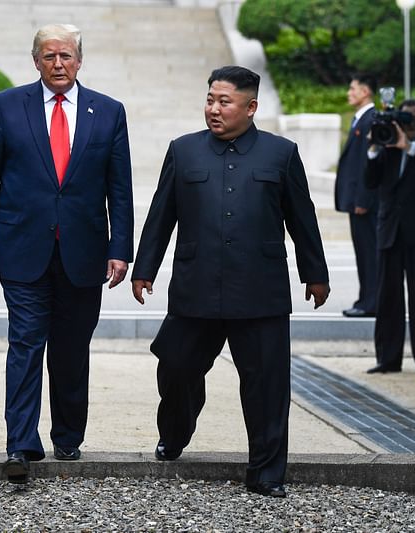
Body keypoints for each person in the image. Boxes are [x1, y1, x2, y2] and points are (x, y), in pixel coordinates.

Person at [131, 66, 330, 498]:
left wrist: (315, 274)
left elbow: (303, 219)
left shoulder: (281, 154)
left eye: (224, 102)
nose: (214, 109)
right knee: (176, 366)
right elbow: (161, 214)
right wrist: (144, 267)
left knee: (267, 385)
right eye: (209, 100)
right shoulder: (183, 151)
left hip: (260, 293)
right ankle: (177, 430)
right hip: (195, 287)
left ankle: (266, 472)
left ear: (251, 107)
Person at [0, 23, 133, 483]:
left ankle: (67, 436)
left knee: (71, 346)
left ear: (80, 60)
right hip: (20, 248)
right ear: (35, 60)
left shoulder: (109, 111)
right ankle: (20, 444)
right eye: (48, 56)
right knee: (25, 343)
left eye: (66, 56)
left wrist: (121, 248)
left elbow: (120, 188)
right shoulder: (6, 106)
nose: (58, 64)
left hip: (85, 252)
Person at [364, 99, 415, 375]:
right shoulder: (387, 146)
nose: (410, 122)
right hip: (389, 231)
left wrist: (408, 146)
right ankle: (388, 359)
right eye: (406, 117)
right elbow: (370, 181)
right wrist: (375, 148)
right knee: (387, 297)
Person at [335, 74, 379, 318]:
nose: (349, 93)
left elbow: (368, 164)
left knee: (369, 254)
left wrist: (363, 199)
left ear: (365, 92)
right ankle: (366, 299)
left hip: (364, 203)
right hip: (357, 202)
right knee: (363, 253)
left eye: (352, 89)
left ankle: (370, 302)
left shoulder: (371, 120)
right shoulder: (360, 120)